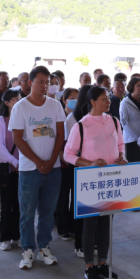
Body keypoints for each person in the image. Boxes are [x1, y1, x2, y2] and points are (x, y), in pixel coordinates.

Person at [64, 86, 127, 279]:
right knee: (90, 223)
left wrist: (122, 157)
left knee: (106, 223)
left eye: (108, 98)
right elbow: (68, 154)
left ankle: (102, 263)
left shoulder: (114, 121)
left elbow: (120, 145)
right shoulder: (81, 126)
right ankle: (89, 266)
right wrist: (89, 163)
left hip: (111, 178)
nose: (108, 102)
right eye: (104, 99)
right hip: (91, 180)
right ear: (92, 102)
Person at [9, 66, 65, 270]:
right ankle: (28, 249)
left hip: (53, 168)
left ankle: (44, 247)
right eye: (40, 82)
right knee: (27, 212)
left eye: (47, 82)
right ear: (30, 83)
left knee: (48, 212)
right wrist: (38, 161)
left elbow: (60, 135)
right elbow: (18, 139)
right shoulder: (20, 107)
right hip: (29, 170)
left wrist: (51, 160)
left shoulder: (55, 105)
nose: (45, 86)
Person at [57, 86, 91, 256]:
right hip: (75, 164)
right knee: (69, 198)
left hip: (90, 166)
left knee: (86, 205)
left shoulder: (100, 118)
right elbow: (70, 147)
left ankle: (85, 238)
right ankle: (74, 237)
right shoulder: (72, 119)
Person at [0, 88, 22, 251]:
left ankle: (17, 235)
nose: (19, 102)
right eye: (15, 99)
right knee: (6, 204)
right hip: (7, 170)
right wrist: (15, 162)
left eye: (20, 98)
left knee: (20, 204)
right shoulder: (0, 122)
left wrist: (23, 163)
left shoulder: (24, 120)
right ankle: (5, 237)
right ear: (6, 103)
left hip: (22, 169)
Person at [119, 76, 140, 193]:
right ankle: (132, 188)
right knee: (132, 163)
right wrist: (138, 138)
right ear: (132, 87)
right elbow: (124, 122)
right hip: (131, 139)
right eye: (138, 86)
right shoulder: (125, 102)